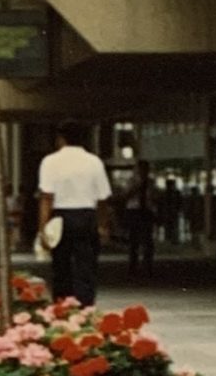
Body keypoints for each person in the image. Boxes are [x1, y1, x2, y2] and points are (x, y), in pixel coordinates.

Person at [37, 125, 113, 306]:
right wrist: (103, 225)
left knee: (61, 266)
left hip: (60, 216)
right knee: (86, 266)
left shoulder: (50, 161)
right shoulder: (94, 161)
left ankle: (62, 306)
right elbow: (103, 198)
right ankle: (85, 306)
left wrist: (42, 229)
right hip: (87, 215)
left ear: (60, 138)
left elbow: (47, 197)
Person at [122, 161, 160, 278]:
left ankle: (148, 266)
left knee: (147, 240)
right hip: (134, 210)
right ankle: (133, 266)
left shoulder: (151, 182)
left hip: (146, 211)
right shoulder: (132, 181)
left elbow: (155, 197)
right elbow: (126, 195)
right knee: (134, 240)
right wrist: (137, 187)